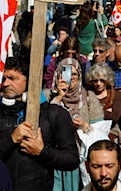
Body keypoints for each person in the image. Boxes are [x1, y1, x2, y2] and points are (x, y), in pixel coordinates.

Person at [0, 57, 79, 190]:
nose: (6, 83)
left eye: (12, 78)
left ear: (29, 80)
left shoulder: (53, 114)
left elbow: (71, 160)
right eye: (3, 79)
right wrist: (11, 140)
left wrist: (42, 152)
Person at [46, 57, 109, 187]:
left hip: (79, 157)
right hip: (54, 156)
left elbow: (101, 131)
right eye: (66, 73)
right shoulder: (48, 96)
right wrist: (59, 97)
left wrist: (84, 126)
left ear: (79, 75)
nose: (71, 77)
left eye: (74, 74)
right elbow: (45, 120)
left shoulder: (89, 98)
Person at [86, 63, 121, 177]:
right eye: (95, 80)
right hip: (89, 133)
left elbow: (115, 116)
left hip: (111, 133)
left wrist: (94, 112)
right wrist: (106, 112)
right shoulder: (87, 93)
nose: (98, 83)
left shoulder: (115, 95)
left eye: (102, 80)